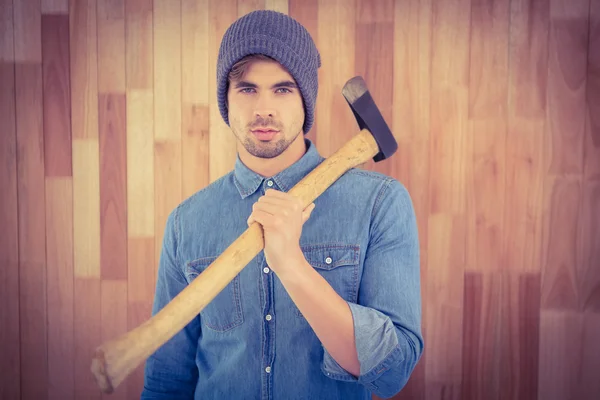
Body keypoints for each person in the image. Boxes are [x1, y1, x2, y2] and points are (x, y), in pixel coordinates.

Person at [141, 9, 423, 400]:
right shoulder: (186, 224)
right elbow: (166, 382)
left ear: (306, 98)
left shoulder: (379, 204)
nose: (264, 109)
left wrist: (291, 264)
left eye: (283, 89)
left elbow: (393, 373)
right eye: (247, 88)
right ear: (226, 98)